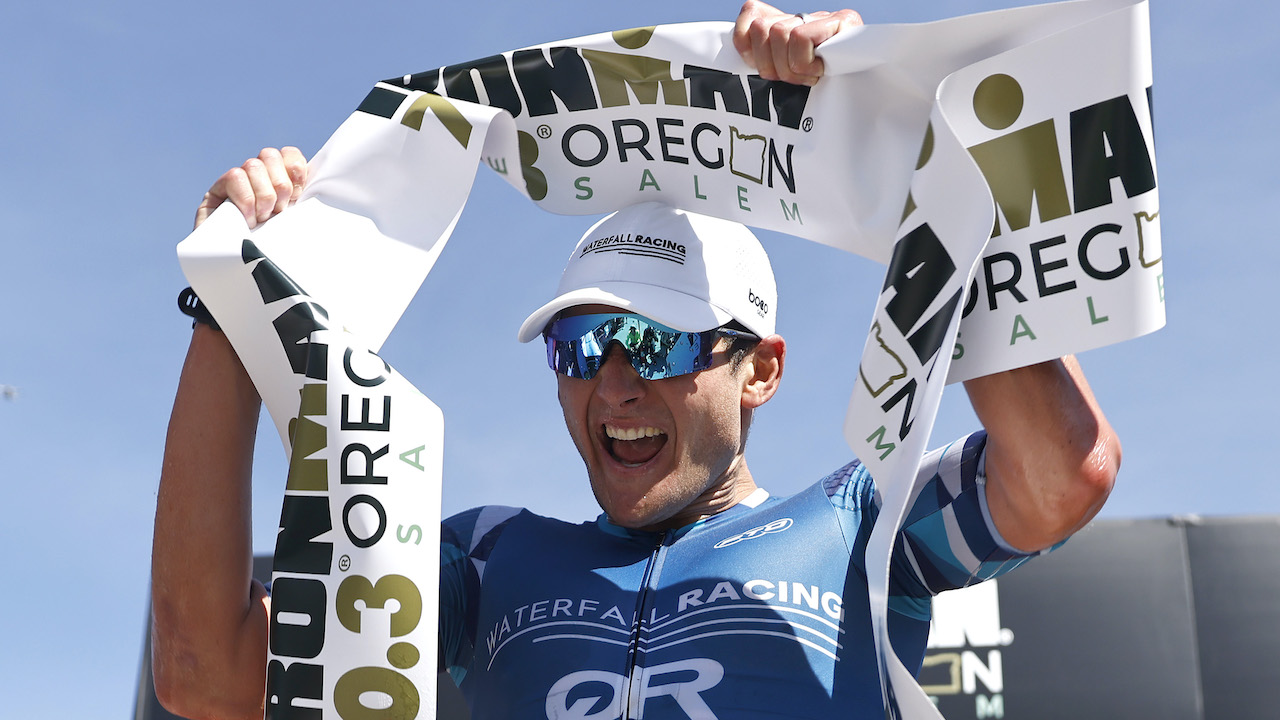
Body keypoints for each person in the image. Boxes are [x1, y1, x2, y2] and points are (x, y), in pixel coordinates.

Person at [150, 2, 1120, 719]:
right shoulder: (483, 559)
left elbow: (1059, 476)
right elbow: (206, 675)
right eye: (578, 345)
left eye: (652, 342)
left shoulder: (860, 525)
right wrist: (228, 304)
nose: (611, 382)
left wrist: (912, 161)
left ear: (760, 370)